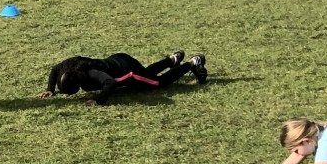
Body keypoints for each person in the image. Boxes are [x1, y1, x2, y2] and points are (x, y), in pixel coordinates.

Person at [42, 50, 207, 104]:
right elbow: (55, 69)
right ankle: (173, 60)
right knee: (148, 73)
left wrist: (98, 101)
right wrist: (50, 89)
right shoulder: (68, 66)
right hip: (118, 58)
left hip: (128, 71)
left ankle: (192, 63)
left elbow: (110, 83)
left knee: (158, 82)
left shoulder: (90, 73)